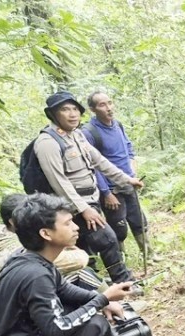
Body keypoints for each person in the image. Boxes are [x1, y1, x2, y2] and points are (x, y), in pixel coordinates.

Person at [0, 194, 132, 336]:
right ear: (46, 233)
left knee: (83, 308)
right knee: (96, 326)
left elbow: (64, 290)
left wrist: (102, 301)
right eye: (67, 223)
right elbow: (56, 330)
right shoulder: (35, 275)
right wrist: (102, 299)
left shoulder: (28, 257)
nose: (76, 227)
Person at [34, 90, 143, 285]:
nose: (72, 114)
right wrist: (84, 210)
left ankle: (91, 285)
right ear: (53, 114)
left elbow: (99, 161)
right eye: (65, 109)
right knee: (108, 239)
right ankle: (124, 282)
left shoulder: (76, 135)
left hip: (91, 199)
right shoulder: (47, 143)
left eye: (75, 109)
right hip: (72, 206)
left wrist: (127, 179)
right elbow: (59, 182)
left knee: (84, 247)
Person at [82, 91, 155, 259]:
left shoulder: (118, 125)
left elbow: (128, 147)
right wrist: (106, 193)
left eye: (110, 102)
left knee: (138, 220)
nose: (109, 108)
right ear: (92, 109)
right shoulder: (89, 132)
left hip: (129, 182)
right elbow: (93, 165)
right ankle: (120, 259)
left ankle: (148, 254)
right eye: (102, 105)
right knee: (118, 225)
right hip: (111, 188)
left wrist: (132, 165)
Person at [0, 194, 107, 292]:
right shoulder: (19, 254)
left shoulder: (6, 233)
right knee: (81, 274)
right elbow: (78, 260)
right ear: (13, 221)